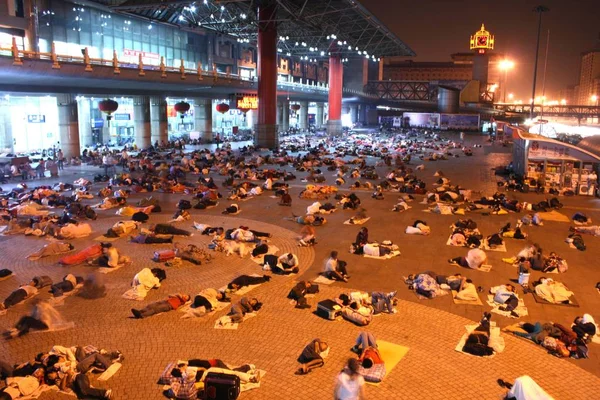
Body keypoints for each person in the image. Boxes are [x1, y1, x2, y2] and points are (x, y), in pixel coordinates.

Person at [3, 300, 70, 339]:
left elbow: (37, 316)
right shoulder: (37, 307)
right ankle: (16, 328)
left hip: (44, 324)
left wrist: (29, 319)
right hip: (39, 321)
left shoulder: (42, 308)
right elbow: (32, 315)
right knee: (25, 317)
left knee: (29, 321)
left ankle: (21, 332)